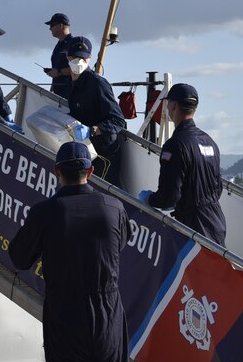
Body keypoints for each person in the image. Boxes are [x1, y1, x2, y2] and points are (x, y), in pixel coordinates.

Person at [9, 142, 139, 362]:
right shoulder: (113, 207)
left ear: (57, 173)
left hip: (65, 317)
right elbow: (121, 242)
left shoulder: (45, 212)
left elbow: (19, 257)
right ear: (90, 172)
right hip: (108, 314)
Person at [139, 83, 227, 246]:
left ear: (173, 106)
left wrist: (149, 199)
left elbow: (169, 197)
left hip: (193, 228)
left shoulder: (175, 145)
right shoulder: (209, 142)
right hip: (216, 222)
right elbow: (218, 187)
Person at [65, 36, 127, 189]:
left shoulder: (98, 84)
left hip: (104, 154)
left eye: (82, 58)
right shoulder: (72, 83)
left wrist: (92, 130)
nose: (78, 62)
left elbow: (118, 120)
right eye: (74, 57)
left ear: (89, 58)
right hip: (85, 152)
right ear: (67, 55)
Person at [43, 13, 73, 100]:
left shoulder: (73, 44)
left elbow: (80, 69)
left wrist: (59, 72)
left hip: (70, 95)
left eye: (52, 25)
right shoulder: (59, 45)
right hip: (59, 93)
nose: (50, 28)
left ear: (60, 25)